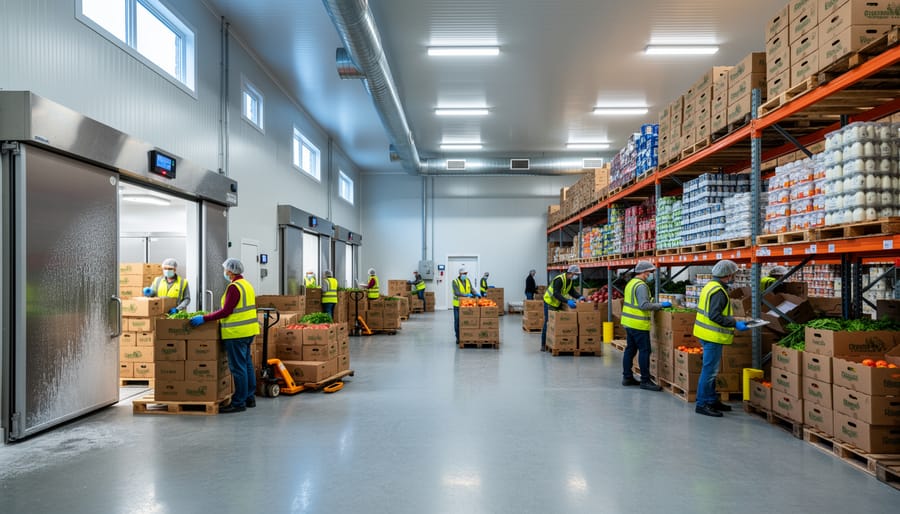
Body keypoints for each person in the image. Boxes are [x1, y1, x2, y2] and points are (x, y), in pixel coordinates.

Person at [189, 258, 259, 413]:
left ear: (231, 271)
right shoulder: (247, 285)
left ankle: (239, 402)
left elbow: (226, 311)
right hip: (249, 331)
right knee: (246, 364)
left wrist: (205, 318)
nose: (225, 272)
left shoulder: (234, 287)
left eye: (226, 270)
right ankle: (249, 397)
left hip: (236, 333)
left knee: (238, 367)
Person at [693, 259, 750, 417]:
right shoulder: (718, 291)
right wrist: (734, 323)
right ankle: (702, 403)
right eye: (734, 274)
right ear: (728, 275)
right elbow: (714, 315)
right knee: (709, 371)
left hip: (705, 334)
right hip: (712, 336)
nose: (735, 277)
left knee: (711, 371)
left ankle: (711, 400)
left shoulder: (710, 286)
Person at [621, 261, 671, 391]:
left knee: (630, 350)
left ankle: (627, 377)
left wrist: (652, 302)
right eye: (650, 272)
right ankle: (645, 380)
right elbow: (643, 305)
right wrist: (660, 305)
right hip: (638, 324)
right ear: (644, 272)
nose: (650, 275)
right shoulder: (641, 286)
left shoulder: (631, 283)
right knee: (645, 351)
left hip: (628, 322)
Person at [541, 265, 583, 352]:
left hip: (557, 303)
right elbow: (556, 293)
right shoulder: (559, 279)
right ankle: (543, 344)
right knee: (548, 322)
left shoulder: (569, 281)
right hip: (549, 302)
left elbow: (572, 292)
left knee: (556, 324)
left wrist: (580, 297)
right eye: (576, 274)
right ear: (571, 273)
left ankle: (553, 342)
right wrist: (567, 301)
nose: (576, 276)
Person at [452, 267, 478, 343]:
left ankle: (466, 336)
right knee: (457, 321)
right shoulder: (455, 281)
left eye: (466, 274)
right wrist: (466, 295)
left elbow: (471, 289)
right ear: (460, 274)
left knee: (466, 321)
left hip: (466, 305)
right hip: (457, 305)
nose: (465, 275)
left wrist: (476, 294)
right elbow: (457, 292)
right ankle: (458, 337)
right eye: (464, 274)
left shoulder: (467, 280)